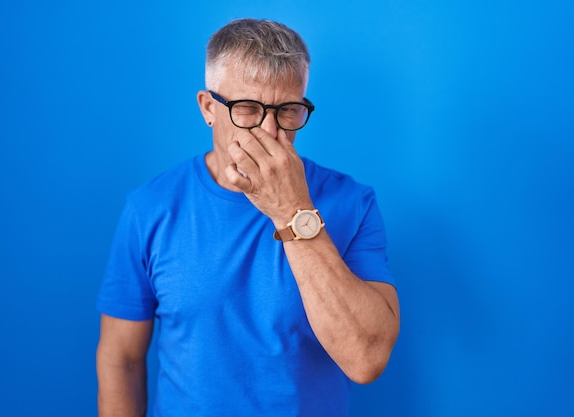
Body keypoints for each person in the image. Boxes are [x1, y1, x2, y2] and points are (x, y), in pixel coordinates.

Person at [96, 18, 400, 417]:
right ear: (208, 108)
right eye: (248, 109)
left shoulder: (352, 202)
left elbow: (366, 359)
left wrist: (292, 210)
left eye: (288, 110)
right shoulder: (150, 209)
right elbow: (122, 358)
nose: (270, 131)